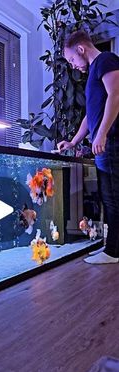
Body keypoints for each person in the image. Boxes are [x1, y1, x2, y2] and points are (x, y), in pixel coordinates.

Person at [57, 30, 119, 264]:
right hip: (106, 142)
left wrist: (101, 134)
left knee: (113, 197)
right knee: (109, 196)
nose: (73, 66)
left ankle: (113, 252)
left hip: (112, 141)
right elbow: (89, 115)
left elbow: (116, 95)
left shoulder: (106, 60)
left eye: (72, 59)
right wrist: (73, 141)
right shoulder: (94, 70)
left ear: (81, 49)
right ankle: (111, 247)